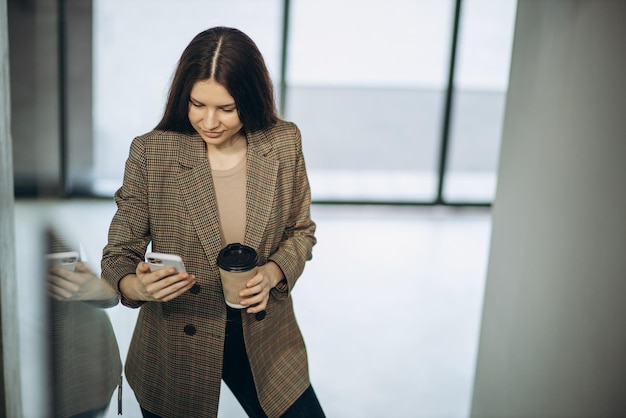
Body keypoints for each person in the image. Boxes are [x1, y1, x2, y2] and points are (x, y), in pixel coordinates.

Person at [101, 27, 324, 418]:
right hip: (175, 341)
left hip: (263, 333)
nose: (209, 122)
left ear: (251, 100)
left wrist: (272, 273)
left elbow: (300, 231)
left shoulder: (284, 143)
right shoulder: (152, 153)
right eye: (197, 104)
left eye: (227, 108)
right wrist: (137, 285)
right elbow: (119, 252)